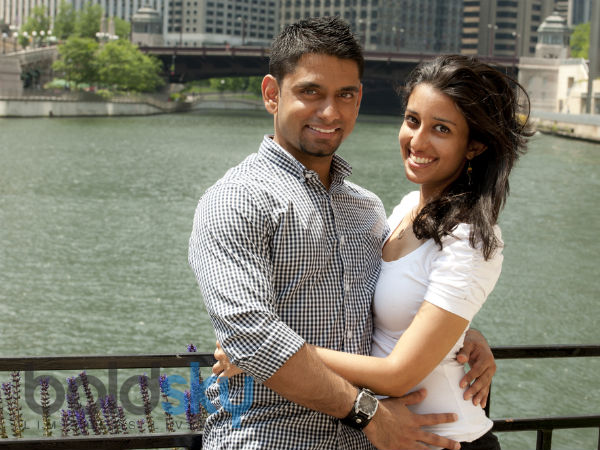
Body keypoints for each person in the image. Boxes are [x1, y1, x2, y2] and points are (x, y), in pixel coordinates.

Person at [189, 17, 497, 450]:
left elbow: (408, 292)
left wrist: (459, 336)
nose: (330, 112)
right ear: (272, 94)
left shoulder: (367, 210)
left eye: (345, 95)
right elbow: (251, 336)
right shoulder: (236, 200)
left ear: (359, 99)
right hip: (272, 438)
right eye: (310, 92)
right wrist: (368, 415)